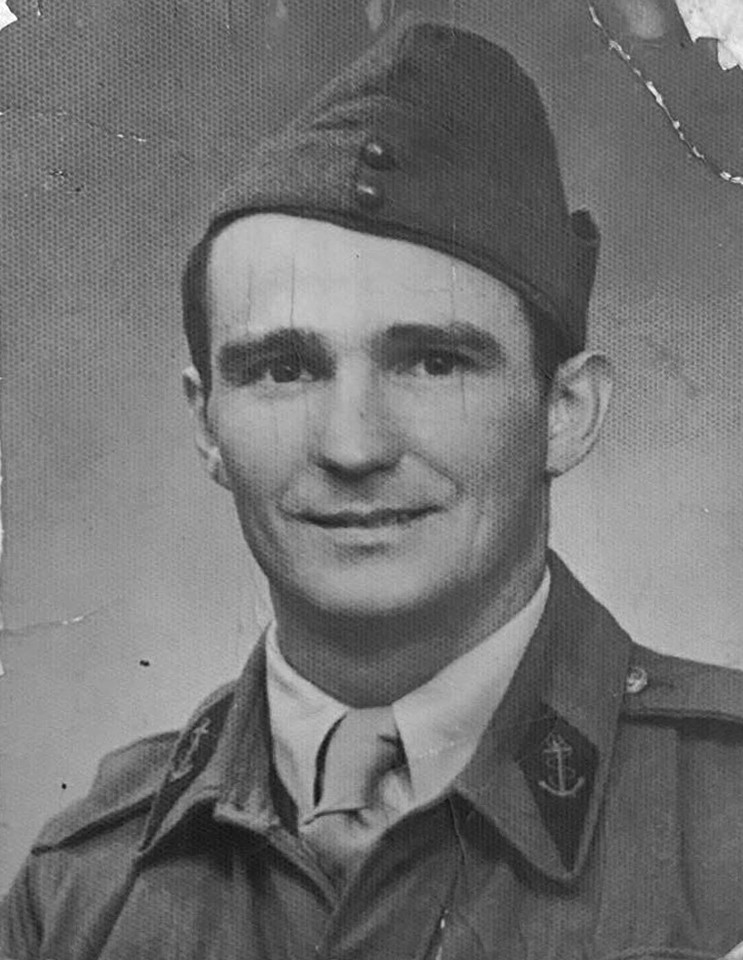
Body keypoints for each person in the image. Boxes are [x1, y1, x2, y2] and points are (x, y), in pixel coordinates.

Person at [2, 19, 743, 960]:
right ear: (206, 424)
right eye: (283, 370)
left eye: (433, 362)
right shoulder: (79, 890)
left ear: (565, 412)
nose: (352, 444)